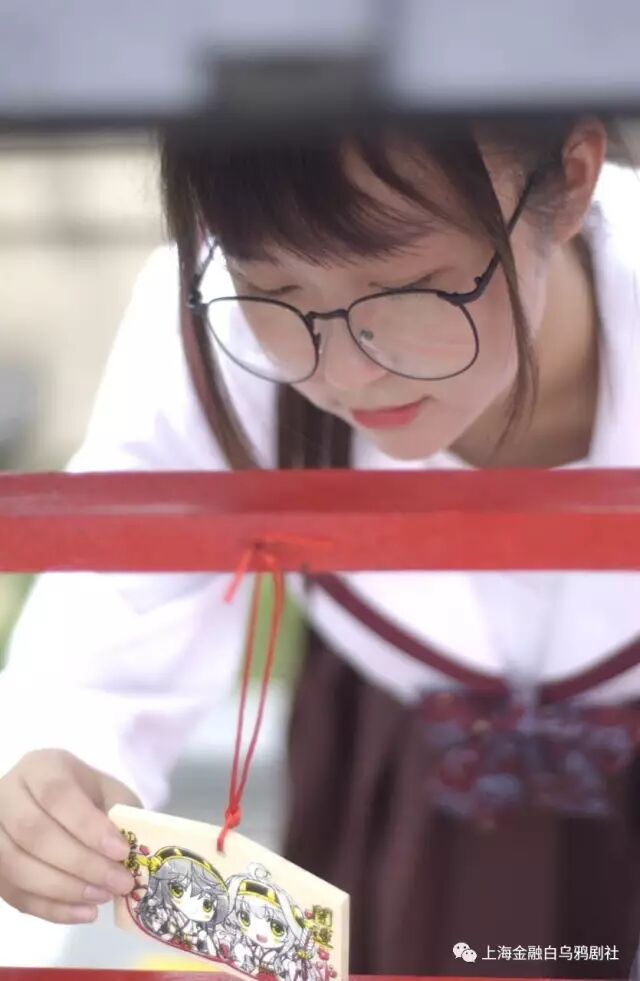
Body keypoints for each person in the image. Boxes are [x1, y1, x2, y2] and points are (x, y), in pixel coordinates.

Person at [0, 114, 640, 978]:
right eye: (277, 291)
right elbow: (106, 625)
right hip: (391, 770)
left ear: (570, 182)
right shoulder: (211, 332)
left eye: (412, 286)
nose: (344, 373)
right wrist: (57, 778)